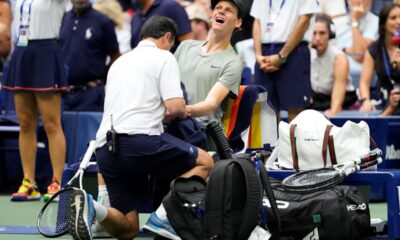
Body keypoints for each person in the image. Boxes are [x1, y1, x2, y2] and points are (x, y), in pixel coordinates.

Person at [67, 16, 213, 240]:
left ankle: (92, 207)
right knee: (206, 162)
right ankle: (162, 217)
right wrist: (186, 110)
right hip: (139, 143)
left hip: (106, 151)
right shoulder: (164, 57)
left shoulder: (119, 62)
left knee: (128, 230)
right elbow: (174, 107)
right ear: (167, 38)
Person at [2, 0, 68, 202]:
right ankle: (29, 182)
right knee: (26, 123)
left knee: (51, 124)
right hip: (22, 52)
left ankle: (57, 181)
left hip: (46, 51)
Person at [176, 0, 243, 126]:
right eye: (218, 7)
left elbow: (210, 105)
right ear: (211, 17)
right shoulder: (185, 46)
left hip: (201, 130)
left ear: (238, 22)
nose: (221, 11)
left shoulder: (233, 63)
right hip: (170, 124)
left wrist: (178, 111)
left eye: (228, 10)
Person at [251, 0, 319, 122]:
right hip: (264, 50)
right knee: (265, 108)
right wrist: (258, 54)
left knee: (295, 108)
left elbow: (304, 21)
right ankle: (270, 142)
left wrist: (282, 55)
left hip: (294, 49)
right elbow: (257, 21)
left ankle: (294, 141)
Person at [60, 0, 120, 112]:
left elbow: (115, 55)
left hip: (91, 94)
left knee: (89, 130)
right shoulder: (62, 19)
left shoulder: (103, 21)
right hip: (63, 94)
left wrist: (104, 77)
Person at [310, 14, 357, 116]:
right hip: (317, 98)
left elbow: (337, 96)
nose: (317, 38)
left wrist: (332, 114)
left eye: (322, 33)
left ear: (330, 35)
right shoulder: (306, 53)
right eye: (314, 33)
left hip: (342, 98)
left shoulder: (339, 58)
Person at [359, 3, 400, 115]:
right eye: (393, 18)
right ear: (383, 23)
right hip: (384, 102)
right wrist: (366, 100)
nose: (398, 22)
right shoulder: (374, 49)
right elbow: (364, 82)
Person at [331, 0, 379, 86]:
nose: (359, 1)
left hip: (364, 81)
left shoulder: (377, 22)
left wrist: (354, 21)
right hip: (334, 79)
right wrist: (345, 50)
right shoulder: (335, 22)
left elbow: (359, 54)